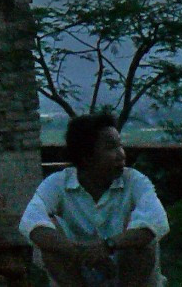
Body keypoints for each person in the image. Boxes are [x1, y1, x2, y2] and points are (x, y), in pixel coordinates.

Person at [19, 112, 168, 287]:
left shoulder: (134, 181)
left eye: (120, 146)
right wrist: (80, 253)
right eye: (111, 147)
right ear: (87, 157)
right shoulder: (57, 183)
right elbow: (32, 224)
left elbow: (155, 222)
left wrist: (107, 246)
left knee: (141, 239)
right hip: (80, 274)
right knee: (51, 242)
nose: (121, 154)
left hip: (129, 276)